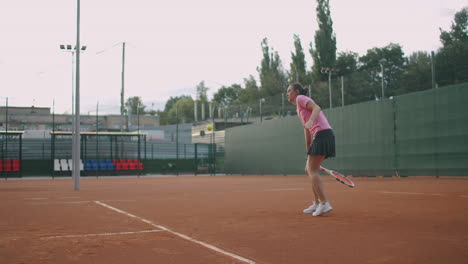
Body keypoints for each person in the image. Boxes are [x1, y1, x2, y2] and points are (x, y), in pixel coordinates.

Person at [286, 83, 336, 216]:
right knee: (308, 170)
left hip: (323, 134)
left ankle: (324, 203)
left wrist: (311, 121)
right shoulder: (298, 108)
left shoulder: (300, 98)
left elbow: (317, 108)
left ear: (296, 91)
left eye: (289, 91)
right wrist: (308, 151)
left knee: (312, 170)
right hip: (320, 135)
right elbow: (306, 130)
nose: (287, 93)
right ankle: (317, 203)